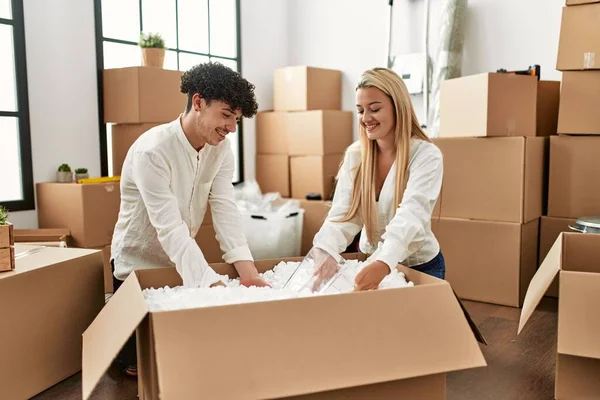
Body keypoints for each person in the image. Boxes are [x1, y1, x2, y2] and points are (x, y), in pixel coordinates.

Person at [110, 62, 270, 376]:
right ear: (198, 103)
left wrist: (246, 269)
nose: (231, 128)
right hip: (137, 271)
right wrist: (208, 280)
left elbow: (225, 207)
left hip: (180, 269)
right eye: (226, 115)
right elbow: (169, 227)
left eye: (236, 119)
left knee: (193, 359)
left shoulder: (220, 150)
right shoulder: (152, 152)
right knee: (141, 368)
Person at [310, 67, 445, 291]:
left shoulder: (426, 155)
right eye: (360, 110)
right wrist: (326, 248)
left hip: (420, 267)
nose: (366, 118)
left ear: (398, 107)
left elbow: (412, 213)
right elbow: (343, 215)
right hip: (371, 262)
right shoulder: (356, 156)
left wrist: (385, 261)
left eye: (374, 109)